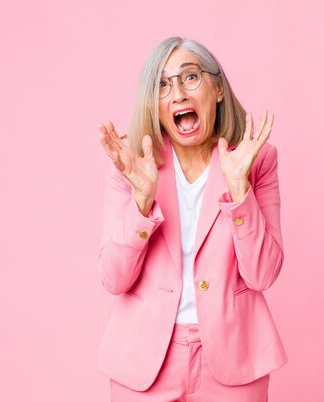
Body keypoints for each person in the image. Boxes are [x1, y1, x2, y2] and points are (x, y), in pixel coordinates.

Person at [96, 37, 288, 401]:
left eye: (190, 77)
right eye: (162, 85)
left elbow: (262, 274)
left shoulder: (256, 160)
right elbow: (113, 278)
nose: (178, 94)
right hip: (143, 362)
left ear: (217, 88)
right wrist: (141, 200)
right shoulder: (131, 165)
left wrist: (238, 189)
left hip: (234, 359)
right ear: (154, 103)